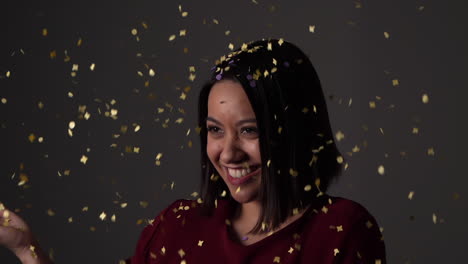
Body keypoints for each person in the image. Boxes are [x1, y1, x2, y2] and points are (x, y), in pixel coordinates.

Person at [0, 39, 386, 264]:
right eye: (216, 131)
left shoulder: (341, 233)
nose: (228, 152)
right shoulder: (176, 228)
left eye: (250, 130)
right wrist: (27, 248)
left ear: (295, 134)